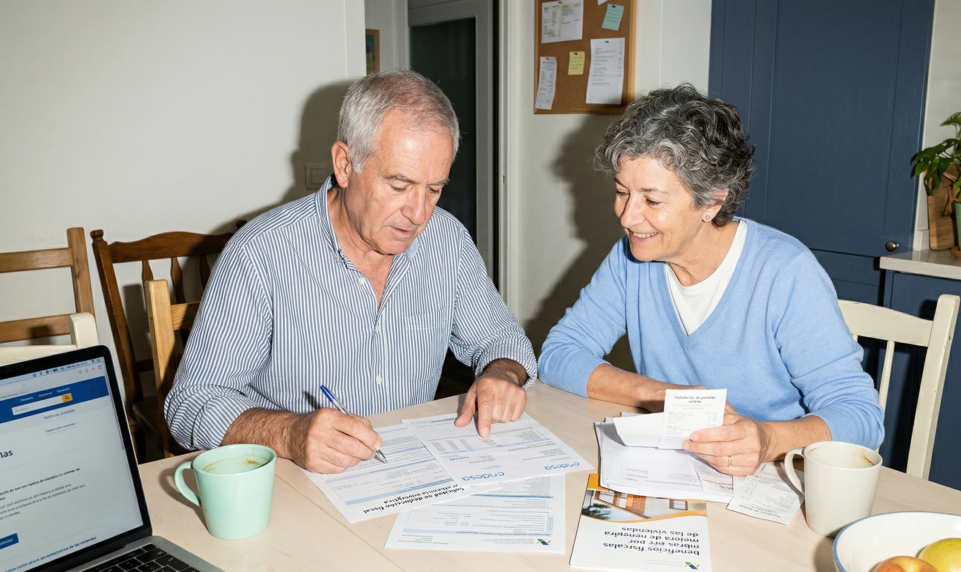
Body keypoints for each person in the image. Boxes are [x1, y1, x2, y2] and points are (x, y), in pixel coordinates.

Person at [166, 71, 537, 473]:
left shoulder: (447, 240)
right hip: (298, 481)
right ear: (345, 165)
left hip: (410, 471)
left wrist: (502, 374)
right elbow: (192, 401)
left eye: (434, 189)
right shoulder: (261, 253)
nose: (418, 214)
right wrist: (290, 434)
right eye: (399, 185)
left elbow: (502, 339)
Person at [538, 84, 883, 477]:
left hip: (775, 476)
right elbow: (559, 355)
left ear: (713, 200)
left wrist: (768, 439)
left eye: (651, 200)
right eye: (622, 192)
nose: (627, 216)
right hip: (679, 470)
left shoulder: (785, 272)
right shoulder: (631, 259)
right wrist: (662, 395)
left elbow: (861, 418)